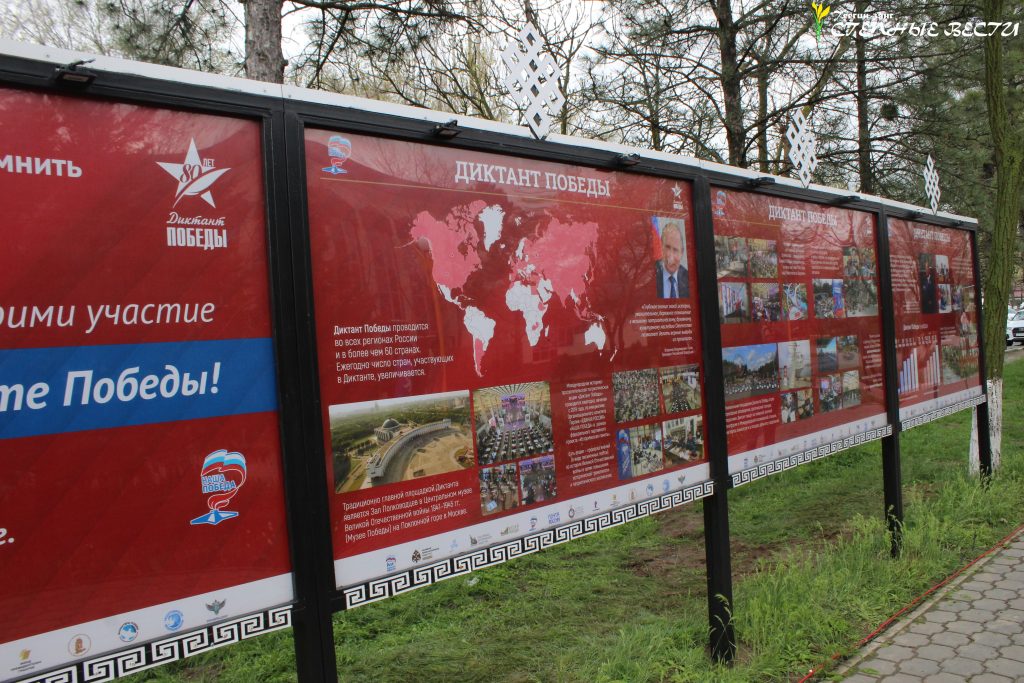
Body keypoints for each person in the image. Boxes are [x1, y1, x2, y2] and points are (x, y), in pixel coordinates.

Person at [655, 219, 690, 298]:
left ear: (682, 252)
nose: (670, 256)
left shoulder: (689, 279)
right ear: (661, 247)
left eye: (675, 250)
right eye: (667, 247)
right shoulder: (651, 276)